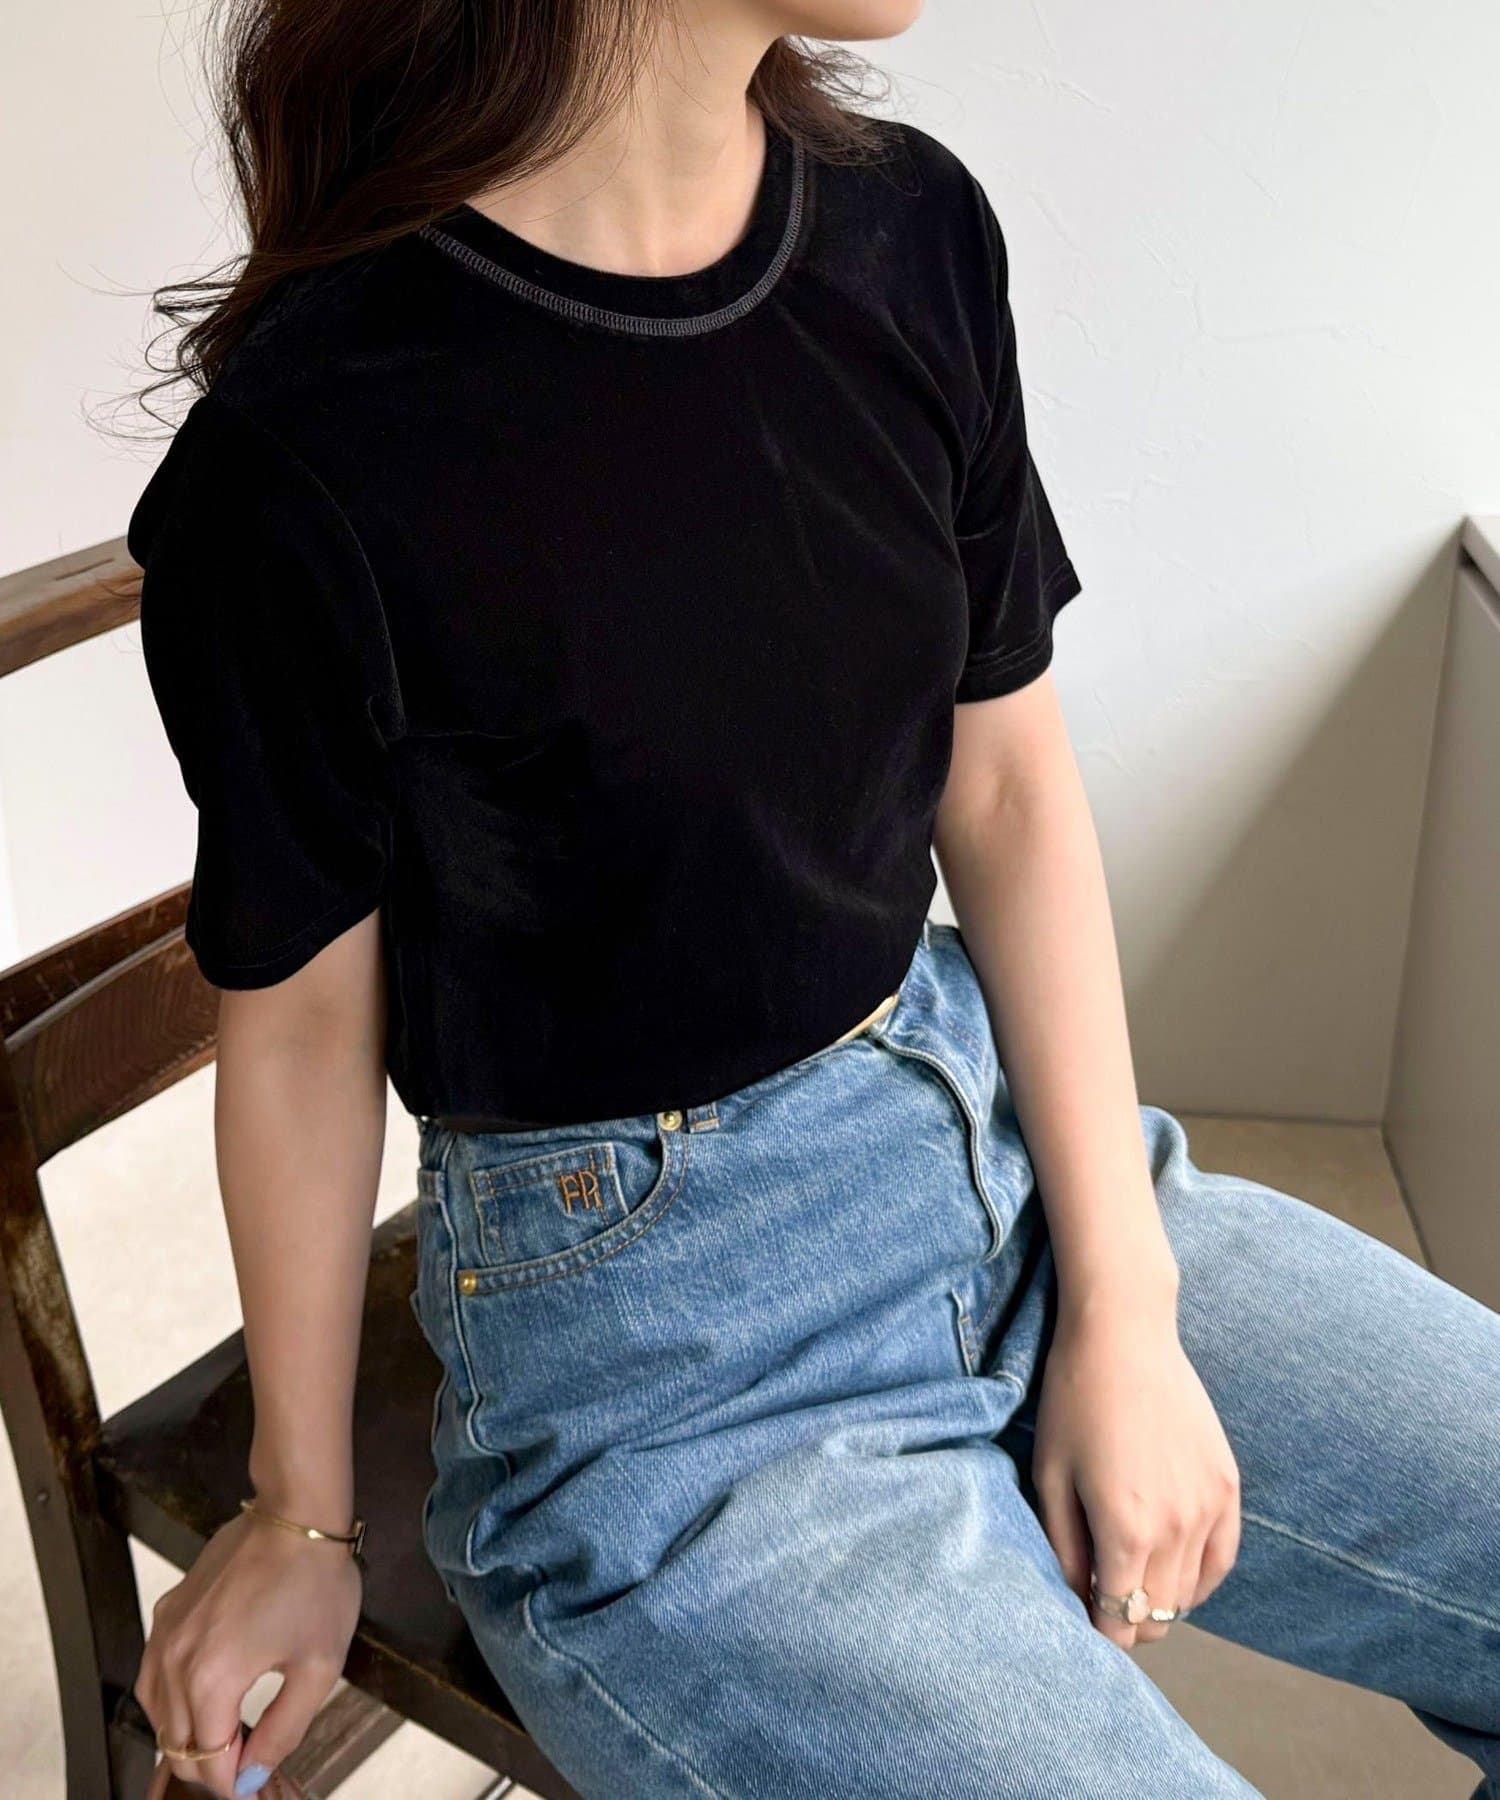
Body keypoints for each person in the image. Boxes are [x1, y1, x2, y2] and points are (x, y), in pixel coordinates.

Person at [124, 2, 1500, 1796]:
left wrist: (1125, 1299)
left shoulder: (908, 229)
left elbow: (1002, 785)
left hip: (986, 1143)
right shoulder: (311, 442)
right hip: (660, 1376)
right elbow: (306, 1021)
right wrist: (300, 1513)